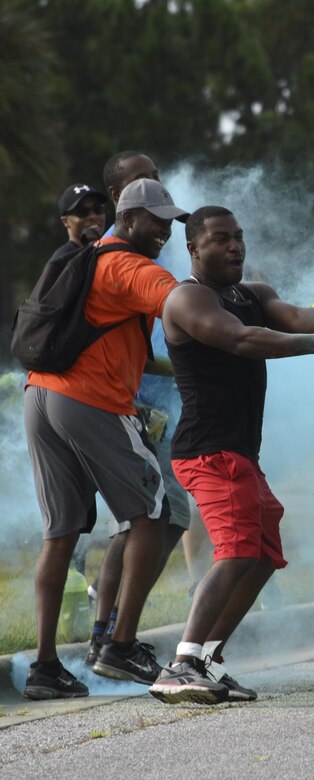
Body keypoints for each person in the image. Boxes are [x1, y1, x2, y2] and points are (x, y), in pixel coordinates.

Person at [148, 205, 314, 705]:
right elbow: (241, 339)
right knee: (236, 550)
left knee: (263, 552)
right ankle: (180, 665)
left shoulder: (252, 294)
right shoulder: (186, 299)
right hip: (208, 450)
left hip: (239, 451)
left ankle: (204, 660)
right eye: (221, 239)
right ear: (194, 248)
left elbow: (290, 314)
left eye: (239, 237)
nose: (234, 247)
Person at [22, 178, 188, 700]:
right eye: (157, 220)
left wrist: (186, 370)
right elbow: (181, 303)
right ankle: (120, 644)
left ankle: (45, 667)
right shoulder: (127, 264)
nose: (165, 230)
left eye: (170, 222)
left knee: (62, 532)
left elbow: (125, 349)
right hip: (91, 400)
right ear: (130, 218)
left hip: (42, 396)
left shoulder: (86, 260)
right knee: (153, 513)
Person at [84, 150, 196, 669]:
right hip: (130, 411)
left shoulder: (128, 251)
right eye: (143, 182)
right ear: (119, 201)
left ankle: (108, 635)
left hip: (142, 411)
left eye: (158, 177)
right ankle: (113, 641)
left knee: (148, 521)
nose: (156, 187)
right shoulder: (119, 257)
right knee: (153, 519)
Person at [54, 183, 109, 575]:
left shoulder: (95, 258)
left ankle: (85, 602)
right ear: (65, 221)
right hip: (75, 396)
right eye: (82, 211)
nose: (92, 216)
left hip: (88, 396)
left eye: (97, 209)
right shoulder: (68, 263)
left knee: (82, 510)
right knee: (72, 517)